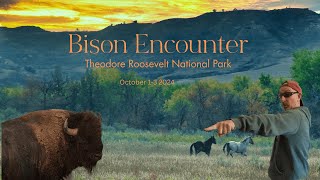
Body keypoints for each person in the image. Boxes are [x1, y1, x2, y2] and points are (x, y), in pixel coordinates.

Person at [204, 80, 311, 180]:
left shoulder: (295, 116)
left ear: (299, 96)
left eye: (287, 95)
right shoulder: (300, 117)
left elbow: (269, 122)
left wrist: (236, 122)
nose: (283, 99)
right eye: (280, 96)